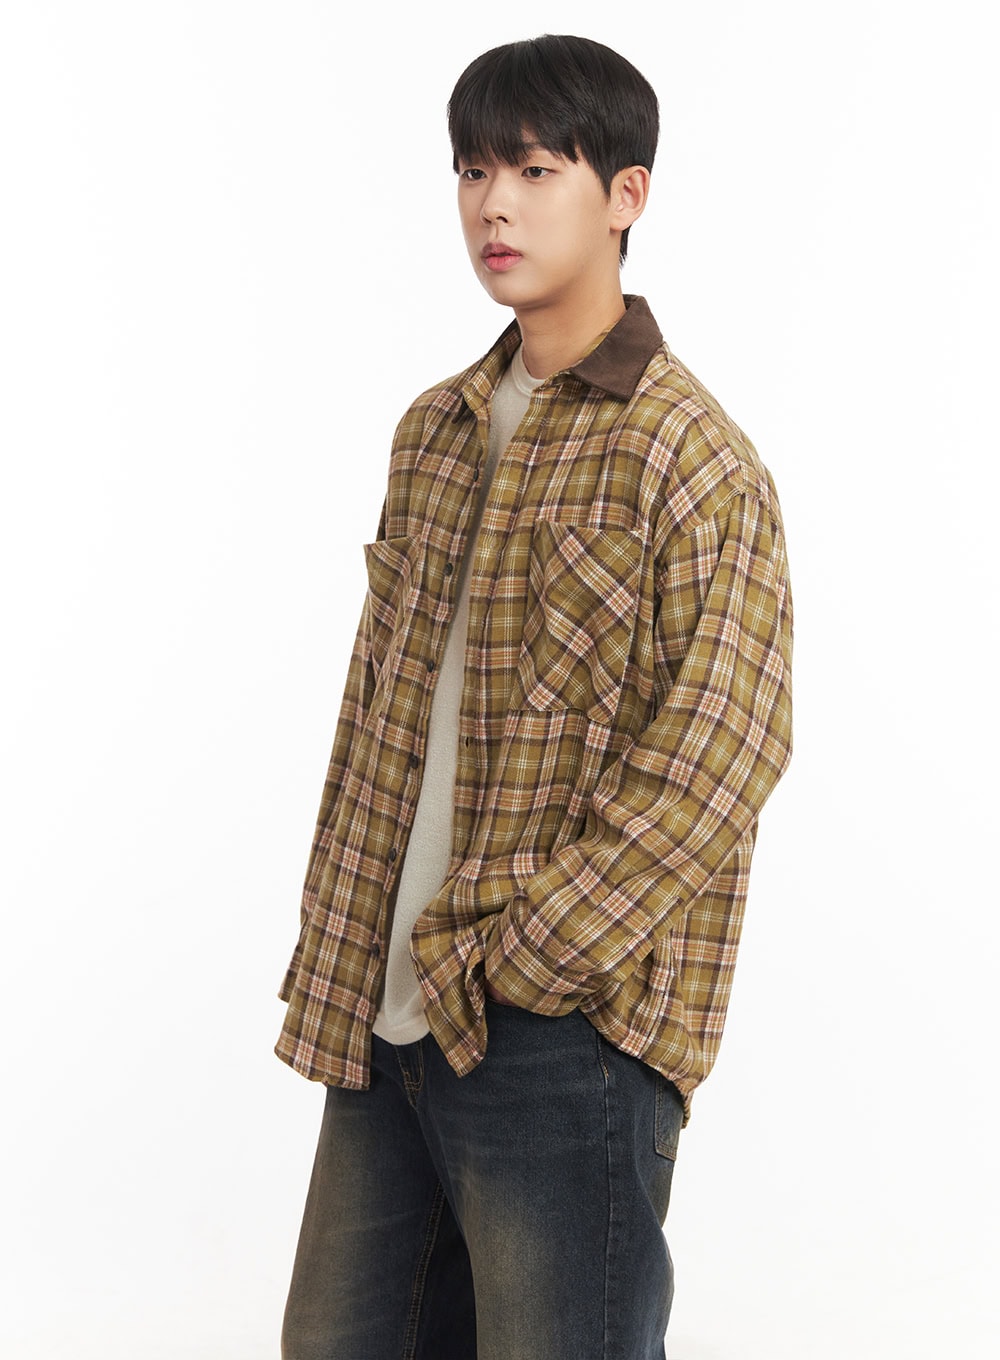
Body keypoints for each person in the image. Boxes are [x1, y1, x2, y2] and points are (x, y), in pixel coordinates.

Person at [277, 33, 792, 1360]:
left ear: (626, 194)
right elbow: (381, 722)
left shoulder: (688, 453)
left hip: (557, 1038)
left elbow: (724, 750)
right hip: (384, 1019)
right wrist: (353, 950)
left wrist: (532, 964)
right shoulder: (435, 431)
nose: (493, 205)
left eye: (533, 169)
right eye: (472, 171)